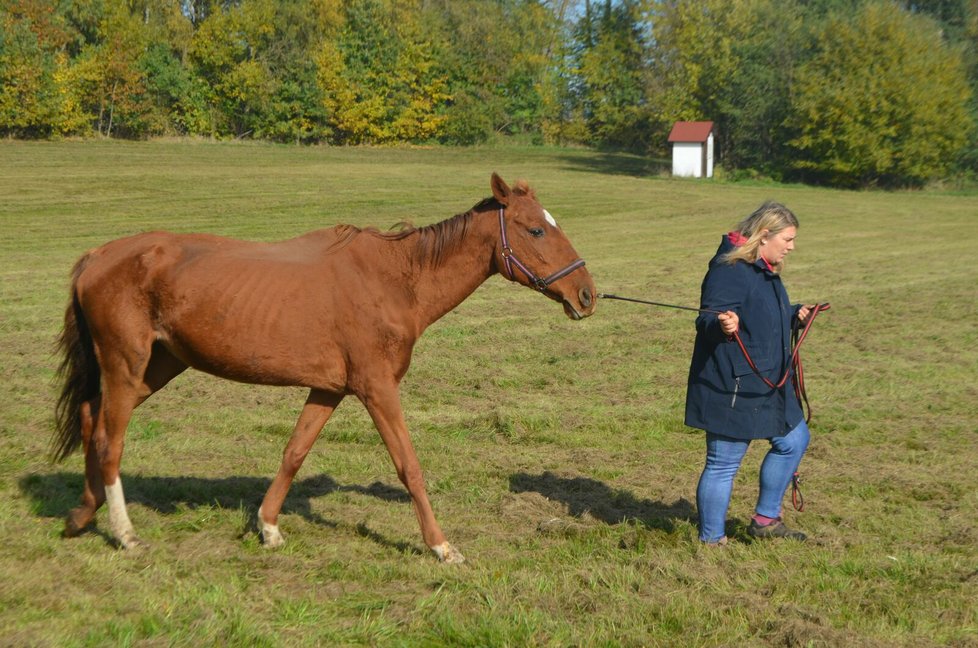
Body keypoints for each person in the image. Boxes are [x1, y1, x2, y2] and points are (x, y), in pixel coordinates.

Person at [685, 201, 817, 546]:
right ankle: (712, 540)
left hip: (770, 380)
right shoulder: (728, 269)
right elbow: (707, 320)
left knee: (794, 440)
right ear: (763, 236)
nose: (792, 246)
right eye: (787, 239)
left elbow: (759, 310)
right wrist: (722, 325)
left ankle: (766, 520)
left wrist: (792, 313)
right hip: (733, 383)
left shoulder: (764, 268)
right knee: (723, 463)